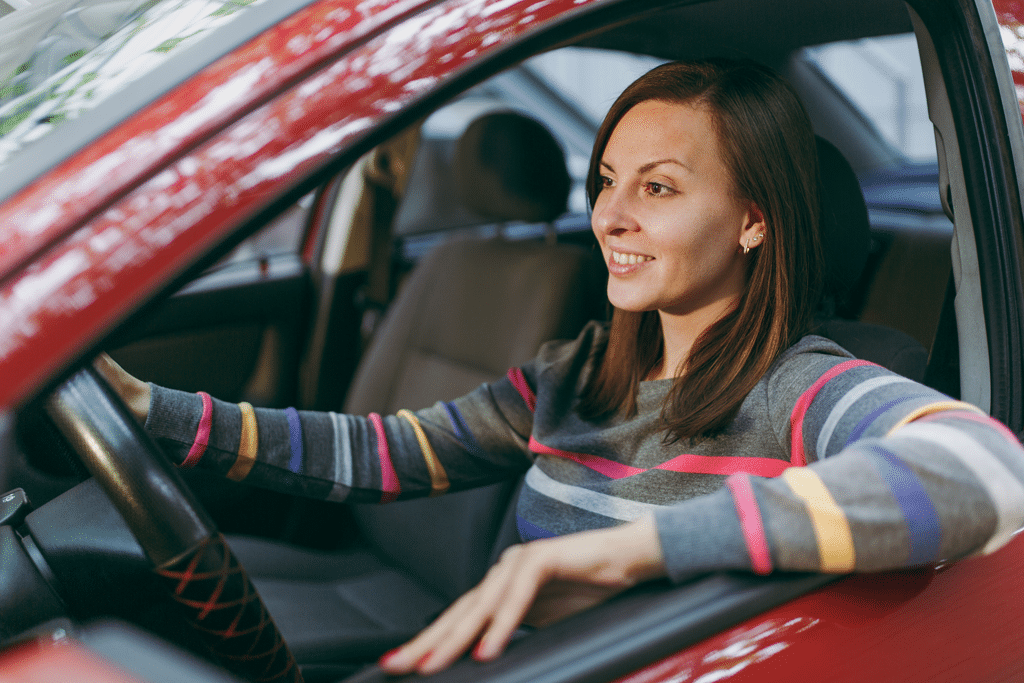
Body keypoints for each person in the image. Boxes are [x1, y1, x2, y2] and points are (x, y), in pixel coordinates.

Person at [98, 58, 1024, 677]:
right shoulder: (572, 376)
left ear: (754, 221)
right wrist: (151, 409)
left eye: (657, 187)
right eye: (607, 181)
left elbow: (990, 469)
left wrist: (629, 553)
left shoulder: (801, 388)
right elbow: (384, 452)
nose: (610, 216)